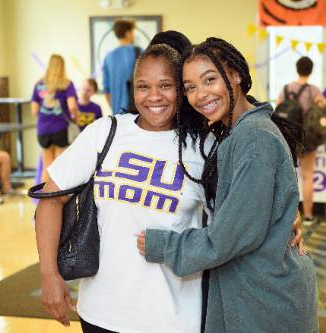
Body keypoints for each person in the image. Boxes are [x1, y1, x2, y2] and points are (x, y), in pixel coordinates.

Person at [138, 37, 318, 333]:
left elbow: (231, 237)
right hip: (254, 288)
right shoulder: (237, 132)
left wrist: (163, 245)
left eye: (210, 80)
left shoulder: (253, 138)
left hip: (266, 298)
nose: (200, 95)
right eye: (190, 87)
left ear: (235, 75)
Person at [36, 42, 212, 333]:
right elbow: (50, 200)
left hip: (173, 318)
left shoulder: (203, 147)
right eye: (144, 86)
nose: (154, 96)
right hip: (102, 313)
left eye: (166, 85)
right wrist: (48, 274)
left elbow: (231, 226)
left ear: (181, 89)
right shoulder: (106, 132)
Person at [277, 56, 326, 225]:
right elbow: (323, 106)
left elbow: (277, 110)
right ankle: (308, 216)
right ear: (311, 70)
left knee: (286, 177)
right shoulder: (313, 90)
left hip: (288, 138)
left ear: (297, 68)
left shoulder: (285, 89)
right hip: (306, 139)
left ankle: (286, 216)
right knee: (307, 176)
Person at [31, 54, 78, 182]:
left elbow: (34, 111)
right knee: (59, 167)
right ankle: (58, 200)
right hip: (60, 128)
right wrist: (75, 118)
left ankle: (43, 199)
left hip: (43, 130)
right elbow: (72, 106)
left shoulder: (39, 85)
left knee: (47, 166)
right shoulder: (67, 84)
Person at [102, 19, 140, 115]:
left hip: (117, 114)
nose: (134, 35)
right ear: (128, 33)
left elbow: (106, 91)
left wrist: (116, 108)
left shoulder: (108, 57)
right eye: (133, 32)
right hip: (137, 113)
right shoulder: (140, 52)